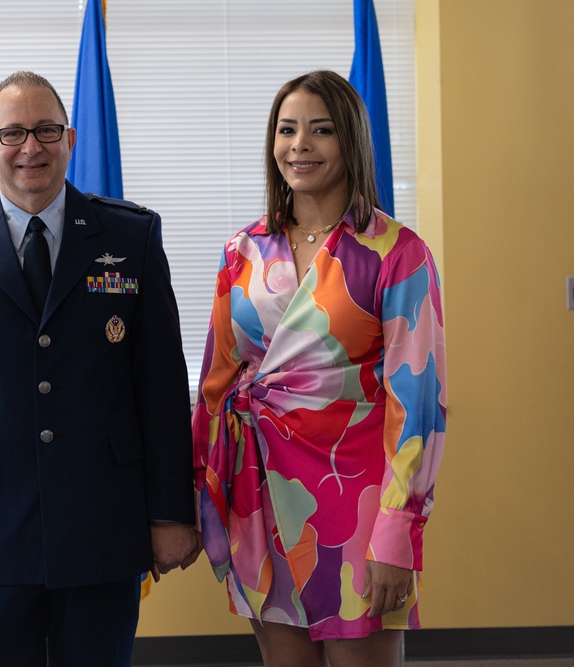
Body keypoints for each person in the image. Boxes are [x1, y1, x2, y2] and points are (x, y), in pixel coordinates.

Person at [0, 70, 199, 666]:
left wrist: (169, 511)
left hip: (101, 522)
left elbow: (160, 388)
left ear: (71, 139)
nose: (31, 147)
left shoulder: (131, 236)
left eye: (47, 129)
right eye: (12, 133)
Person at [191, 70, 447, 666]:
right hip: (258, 496)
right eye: (286, 129)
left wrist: (398, 530)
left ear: (351, 140)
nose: (299, 144)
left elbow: (418, 405)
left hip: (359, 501)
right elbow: (215, 386)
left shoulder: (396, 252)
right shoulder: (243, 250)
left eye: (320, 130)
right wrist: (202, 500)